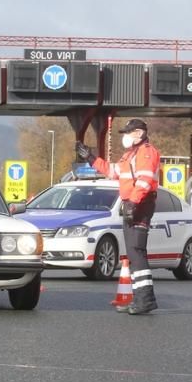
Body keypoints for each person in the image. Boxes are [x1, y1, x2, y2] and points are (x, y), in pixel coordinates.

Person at [77, 118, 161, 314]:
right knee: (133, 253)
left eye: (127, 133)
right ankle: (141, 298)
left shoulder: (146, 152)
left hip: (140, 203)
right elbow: (112, 171)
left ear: (139, 133)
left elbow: (145, 180)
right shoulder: (130, 155)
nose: (124, 137)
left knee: (136, 251)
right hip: (132, 204)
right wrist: (90, 158)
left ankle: (145, 299)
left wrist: (133, 202)